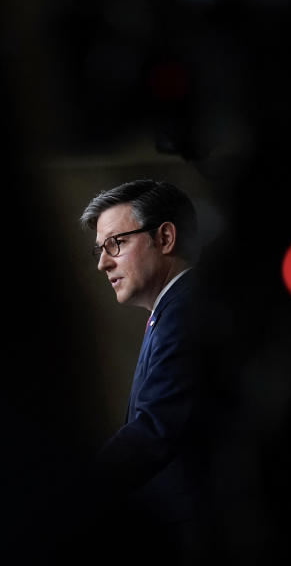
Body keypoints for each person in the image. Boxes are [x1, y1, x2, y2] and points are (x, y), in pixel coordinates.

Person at [79, 179, 207, 561]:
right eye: (100, 249)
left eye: (116, 243)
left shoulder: (186, 312)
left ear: (165, 237)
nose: (103, 262)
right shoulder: (170, 313)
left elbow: (155, 428)